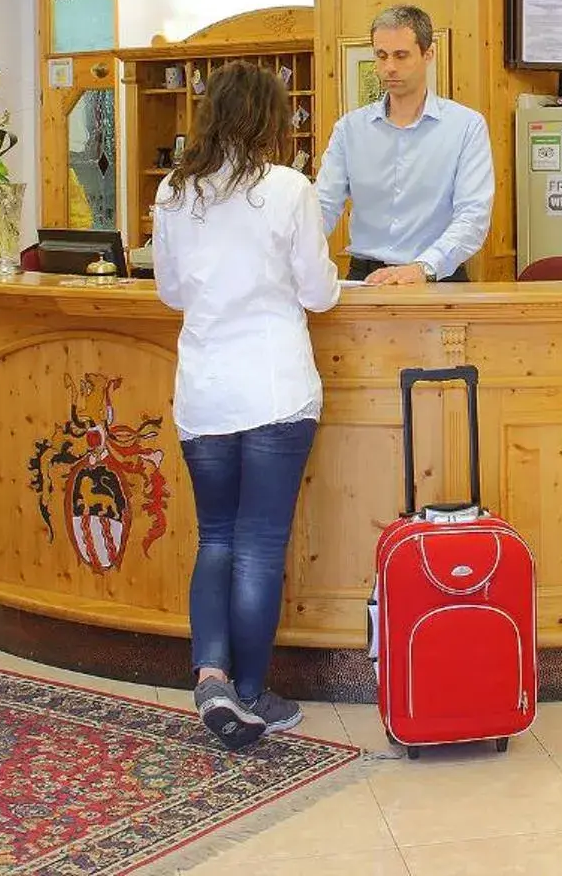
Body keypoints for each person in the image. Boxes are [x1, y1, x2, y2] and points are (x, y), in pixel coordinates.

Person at [151, 61, 340, 749]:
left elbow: (171, 292)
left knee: (217, 538)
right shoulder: (289, 189)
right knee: (259, 545)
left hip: (204, 390)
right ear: (270, 119)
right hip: (274, 387)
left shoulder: (174, 191)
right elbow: (318, 293)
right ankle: (254, 692)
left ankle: (211, 676)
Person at [316, 4, 496, 285]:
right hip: (366, 278)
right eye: (381, 56)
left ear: (428, 55)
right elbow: (323, 206)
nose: (389, 68)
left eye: (401, 56)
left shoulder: (466, 126)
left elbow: (472, 216)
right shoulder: (349, 129)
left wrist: (423, 267)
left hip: (437, 277)